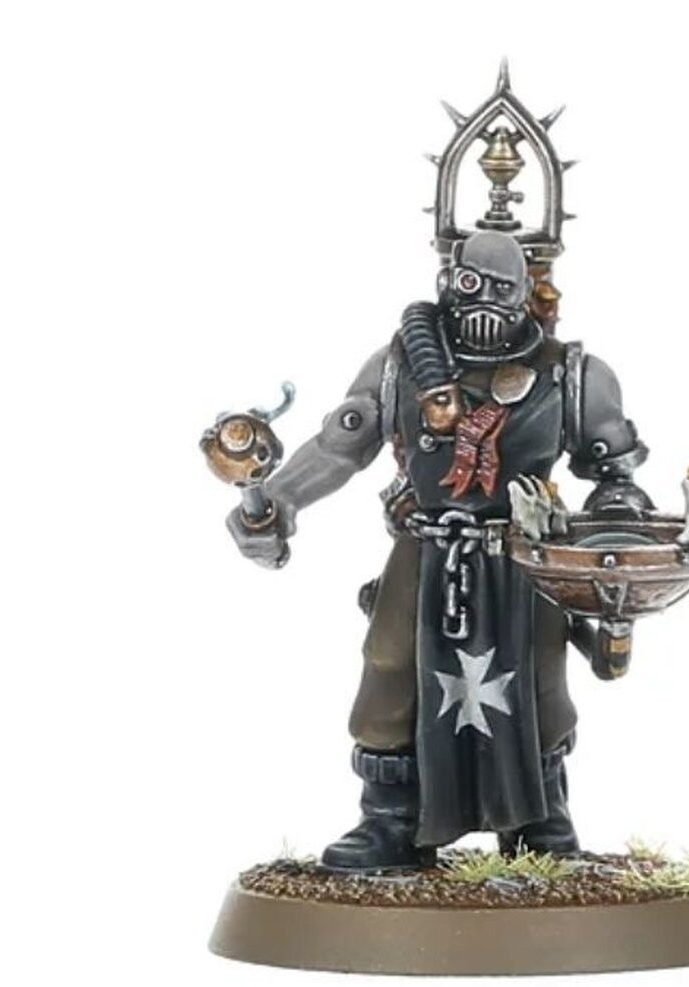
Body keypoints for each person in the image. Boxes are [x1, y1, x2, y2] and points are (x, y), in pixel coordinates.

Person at [227, 230, 653, 870]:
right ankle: (390, 818)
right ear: (448, 282)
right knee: (391, 667)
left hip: (526, 556)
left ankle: (540, 818)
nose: (483, 302)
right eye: (471, 284)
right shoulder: (400, 365)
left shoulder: (571, 375)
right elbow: (341, 447)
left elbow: (616, 477)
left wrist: (615, 529)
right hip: (425, 548)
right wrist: (280, 502)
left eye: (501, 288)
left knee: (539, 682)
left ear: (527, 292)